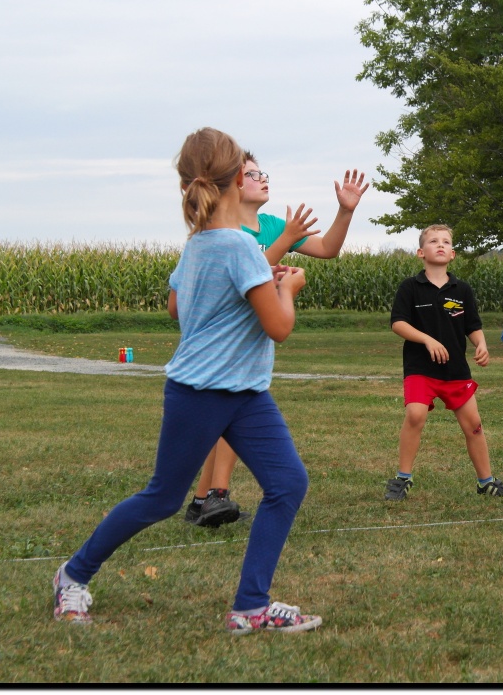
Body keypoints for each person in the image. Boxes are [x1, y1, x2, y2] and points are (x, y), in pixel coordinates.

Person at [54, 127, 321, 633]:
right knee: (160, 497)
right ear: (238, 179)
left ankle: (250, 607)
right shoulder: (241, 248)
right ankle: (72, 575)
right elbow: (279, 327)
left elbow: (177, 307)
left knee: (287, 483)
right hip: (201, 393)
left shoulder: (196, 245)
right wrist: (289, 286)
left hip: (245, 393)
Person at [184, 153, 369, 527]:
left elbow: (327, 249)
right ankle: (215, 497)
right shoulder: (222, 228)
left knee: (225, 420)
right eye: (252, 174)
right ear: (231, 184)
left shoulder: (269, 224)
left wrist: (345, 211)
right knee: (233, 412)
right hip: (224, 336)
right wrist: (285, 241)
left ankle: (201, 501)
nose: (262, 178)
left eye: (262, 172)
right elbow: (242, 276)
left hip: (249, 339)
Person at [384, 224, 503, 501]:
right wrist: (427, 340)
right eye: (434, 241)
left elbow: (473, 326)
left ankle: (486, 481)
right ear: (421, 252)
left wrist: (481, 344)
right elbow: (398, 323)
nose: (440, 245)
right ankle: (402, 478)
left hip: (456, 371)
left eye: (446, 242)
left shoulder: (462, 289)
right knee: (415, 415)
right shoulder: (410, 287)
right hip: (420, 369)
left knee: (474, 425)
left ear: (453, 253)